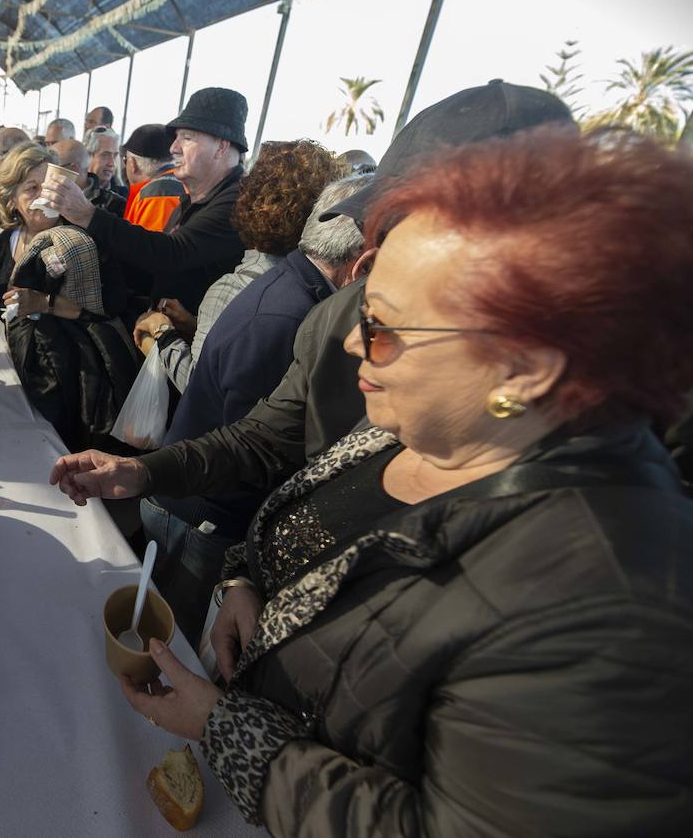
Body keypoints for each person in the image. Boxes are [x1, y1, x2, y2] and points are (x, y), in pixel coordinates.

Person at [104, 126, 693, 835]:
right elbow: (314, 522)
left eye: (382, 325)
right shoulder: (432, 416)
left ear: (525, 365)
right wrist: (244, 579)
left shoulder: (611, 609)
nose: (353, 340)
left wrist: (226, 727)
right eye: (362, 308)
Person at [49, 81, 580, 523]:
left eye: (408, 226)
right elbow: (265, 436)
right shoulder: (338, 314)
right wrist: (148, 476)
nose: (360, 334)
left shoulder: (570, 512)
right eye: (382, 227)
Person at [131, 172, 365, 643]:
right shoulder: (291, 315)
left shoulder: (292, 287)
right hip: (202, 516)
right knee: (165, 645)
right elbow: (249, 440)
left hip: (189, 499)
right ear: (362, 265)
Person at [0, 143, 137, 448]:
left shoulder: (82, 242)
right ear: (10, 198)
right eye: (31, 187)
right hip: (19, 373)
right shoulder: (5, 240)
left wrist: (45, 303)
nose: (43, 196)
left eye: (49, 187)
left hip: (72, 383)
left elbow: (114, 304)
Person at [137, 141, 349, 391]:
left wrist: (163, 333)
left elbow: (197, 386)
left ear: (253, 198)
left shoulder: (233, 289)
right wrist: (196, 326)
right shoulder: (318, 286)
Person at [39, 87, 249, 314]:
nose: (173, 148)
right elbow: (152, 268)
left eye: (186, 138)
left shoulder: (236, 203)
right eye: (176, 137)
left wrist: (88, 215)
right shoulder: (195, 198)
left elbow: (172, 254)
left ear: (221, 146)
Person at [120, 123, 187, 233]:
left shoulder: (157, 195)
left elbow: (148, 247)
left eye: (125, 160)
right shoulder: (183, 182)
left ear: (132, 165)